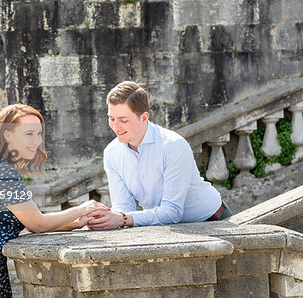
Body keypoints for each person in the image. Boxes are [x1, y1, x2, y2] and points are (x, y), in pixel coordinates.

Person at [0, 104, 108, 297]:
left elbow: (30, 223)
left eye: (39, 133)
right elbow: (38, 223)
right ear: (8, 135)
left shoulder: (3, 168)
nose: (36, 141)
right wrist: (82, 208)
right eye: (28, 134)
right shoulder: (1, 171)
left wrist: (75, 224)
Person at [86, 81, 232, 230]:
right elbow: (123, 208)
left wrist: (123, 219)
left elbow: (172, 212)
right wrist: (105, 219)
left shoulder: (173, 145)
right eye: (111, 118)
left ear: (144, 118)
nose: (116, 127)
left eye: (123, 120)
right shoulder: (112, 154)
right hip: (165, 227)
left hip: (213, 221)